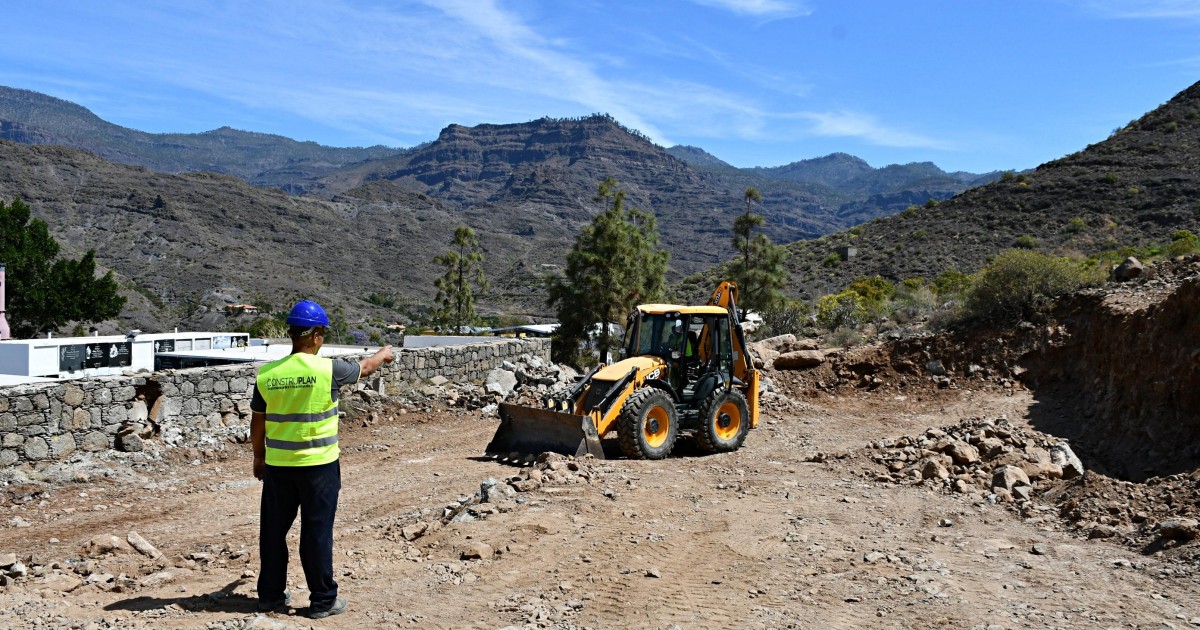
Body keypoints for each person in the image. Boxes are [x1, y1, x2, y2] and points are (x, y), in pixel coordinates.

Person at [250, 299, 394, 619]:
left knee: (273, 532)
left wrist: (259, 458)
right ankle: (322, 601)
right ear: (315, 335)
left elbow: (258, 422)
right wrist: (383, 354)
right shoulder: (328, 369)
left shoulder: (268, 374)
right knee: (316, 532)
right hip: (320, 466)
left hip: (278, 466)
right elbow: (366, 368)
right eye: (323, 334)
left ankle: (271, 596)